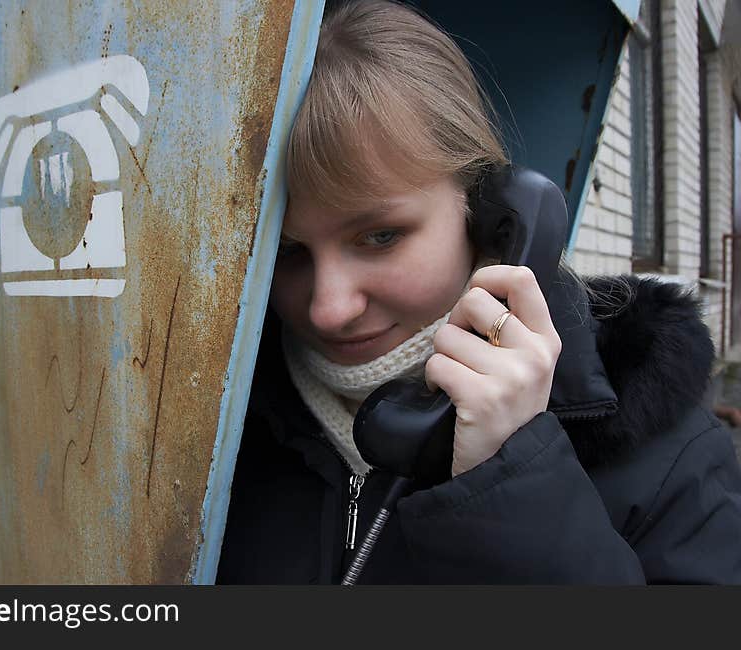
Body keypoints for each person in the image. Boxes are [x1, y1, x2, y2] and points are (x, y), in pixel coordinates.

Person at [216, 0, 741, 584]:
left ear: (494, 216)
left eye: (380, 236)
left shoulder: (667, 454)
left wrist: (514, 482)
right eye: (287, 254)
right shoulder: (212, 421)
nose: (329, 309)